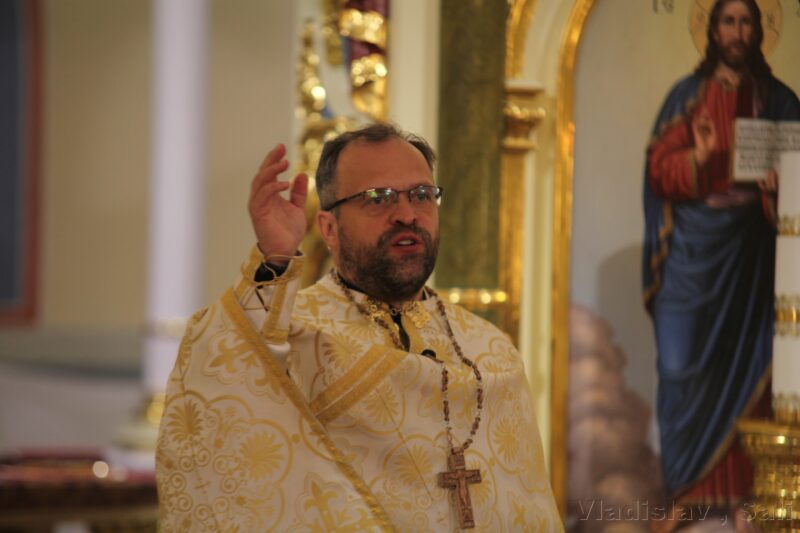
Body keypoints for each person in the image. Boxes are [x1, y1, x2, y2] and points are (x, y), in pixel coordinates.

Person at [156, 124, 562, 531]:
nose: (407, 214)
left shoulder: (491, 351)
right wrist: (274, 261)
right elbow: (219, 379)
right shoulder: (293, 335)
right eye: (378, 198)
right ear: (329, 229)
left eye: (422, 195)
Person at [642, 0, 800, 508]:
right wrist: (699, 156)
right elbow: (658, 172)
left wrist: (783, 188)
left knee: (749, 367)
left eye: (746, 21)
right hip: (693, 253)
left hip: (752, 254)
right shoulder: (686, 97)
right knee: (680, 368)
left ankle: (746, 499)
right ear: (712, 31)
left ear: (760, 29)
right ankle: (684, 495)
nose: (737, 32)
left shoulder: (779, 101)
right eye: (728, 22)